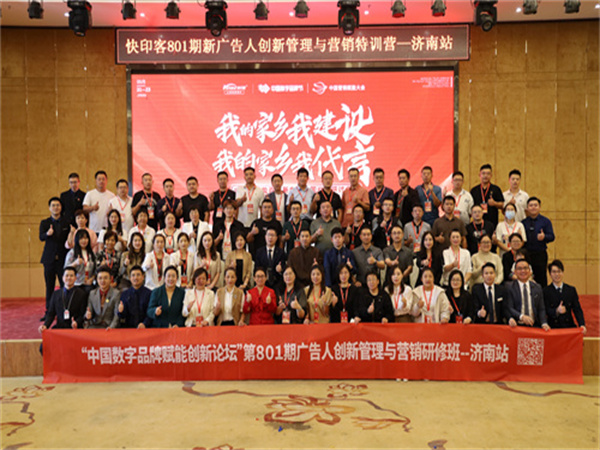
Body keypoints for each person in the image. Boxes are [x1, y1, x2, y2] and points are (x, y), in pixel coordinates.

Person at [40, 197, 71, 319]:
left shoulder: (67, 222)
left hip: (63, 260)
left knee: (65, 286)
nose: (56, 207)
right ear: (49, 208)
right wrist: (47, 234)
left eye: (58, 205)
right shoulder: (45, 223)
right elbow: (41, 237)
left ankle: (64, 311)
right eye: (53, 205)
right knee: (49, 286)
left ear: (61, 207)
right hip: (49, 259)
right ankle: (49, 313)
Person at [505, 259, 550, 330]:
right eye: (519, 269)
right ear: (515, 272)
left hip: (534, 325)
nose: (523, 271)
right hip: (517, 326)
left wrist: (544, 323)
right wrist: (521, 316)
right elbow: (509, 307)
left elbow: (541, 308)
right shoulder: (509, 287)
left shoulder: (537, 287)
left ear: (530, 271)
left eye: (525, 268)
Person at [543, 259, 586, 333]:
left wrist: (582, 324)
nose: (557, 274)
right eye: (554, 272)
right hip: (553, 328)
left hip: (568, 327)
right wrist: (556, 311)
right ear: (550, 274)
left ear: (563, 272)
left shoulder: (571, 290)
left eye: (559, 271)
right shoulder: (545, 291)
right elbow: (544, 310)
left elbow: (577, 309)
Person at [39, 267, 87, 332]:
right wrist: (45, 325)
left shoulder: (81, 294)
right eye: (66, 275)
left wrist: (77, 322)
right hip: (60, 327)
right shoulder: (56, 294)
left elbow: (83, 314)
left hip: (75, 328)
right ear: (62, 278)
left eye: (71, 276)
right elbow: (51, 313)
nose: (69, 278)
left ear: (75, 278)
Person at [522, 197, 555, 287]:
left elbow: (552, 236)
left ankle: (542, 295)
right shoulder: (523, 222)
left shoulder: (545, 221)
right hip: (527, 254)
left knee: (541, 278)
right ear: (527, 208)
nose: (533, 207)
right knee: (527, 277)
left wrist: (544, 237)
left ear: (539, 207)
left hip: (540, 254)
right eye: (531, 205)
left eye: (535, 205)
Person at [469, 164, 504, 228]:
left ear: (491, 175)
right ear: (479, 175)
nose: (485, 176)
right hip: (477, 222)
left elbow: (502, 205)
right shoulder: (474, 190)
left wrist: (495, 203)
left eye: (488, 174)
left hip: (492, 222)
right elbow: (470, 207)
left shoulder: (496, 189)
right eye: (483, 173)